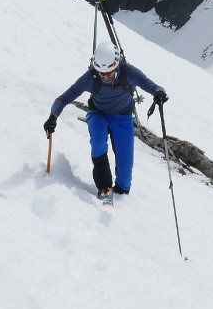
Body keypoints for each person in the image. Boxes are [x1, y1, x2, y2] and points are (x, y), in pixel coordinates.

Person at [45, 39, 168, 200]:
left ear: (116, 65)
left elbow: (149, 84)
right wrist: (53, 116)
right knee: (98, 142)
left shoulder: (128, 72)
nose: (105, 78)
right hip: (98, 115)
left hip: (123, 117)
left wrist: (159, 92)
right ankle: (105, 189)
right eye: (102, 74)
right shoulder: (91, 77)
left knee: (125, 175)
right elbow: (64, 98)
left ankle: (121, 194)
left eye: (110, 73)